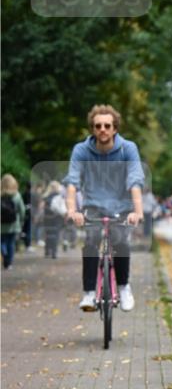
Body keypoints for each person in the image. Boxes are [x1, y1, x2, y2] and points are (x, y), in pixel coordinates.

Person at [65, 104, 145, 312]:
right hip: (93, 205)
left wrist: (138, 211)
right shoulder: (81, 150)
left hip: (122, 206)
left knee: (121, 243)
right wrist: (72, 210)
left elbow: (135, 180)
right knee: (91, 243)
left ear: (115, 128)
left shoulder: (128, 149)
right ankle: (89, 293)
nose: (103, 129)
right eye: (98, 125)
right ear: (92, 128)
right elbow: (72, 182)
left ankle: (124, 286)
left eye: (107, 126)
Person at [1, 174, 27, 269]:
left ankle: (3, 251)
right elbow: (22, 210)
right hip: (13, 224)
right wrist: (22, 220)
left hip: (1, 225)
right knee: (11, 243)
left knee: (2, 241)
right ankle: (9, 264)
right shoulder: (17, 195)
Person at [41, 180, 67, 258]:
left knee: (48, 234)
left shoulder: (45, 197)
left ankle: (47, 251)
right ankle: (54, 252)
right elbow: (62, 208)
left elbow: (42, 208)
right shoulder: (59, 197)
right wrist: (65, 214)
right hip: (57, 218)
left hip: (47, 218)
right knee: (55, 235)